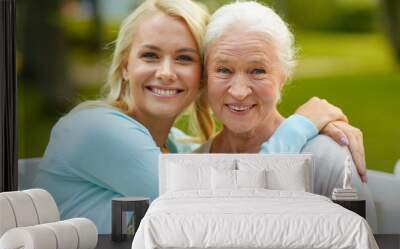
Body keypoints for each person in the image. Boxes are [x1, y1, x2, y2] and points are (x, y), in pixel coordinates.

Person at [35, 0, 366, 234]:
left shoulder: (176, 148)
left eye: (183, 58)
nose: (165, 72)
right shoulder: (95, 129)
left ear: (201, 76)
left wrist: (324, 126)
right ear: (125, 65)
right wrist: (302, 123)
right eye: (150, 55)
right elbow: (217, 207)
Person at [195, 1, 377, 231]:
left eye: (258, 71)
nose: (239, 91)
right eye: (223, 70)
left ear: (284, 76)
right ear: (204, 77)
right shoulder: (193, 165)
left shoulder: (327, 158)